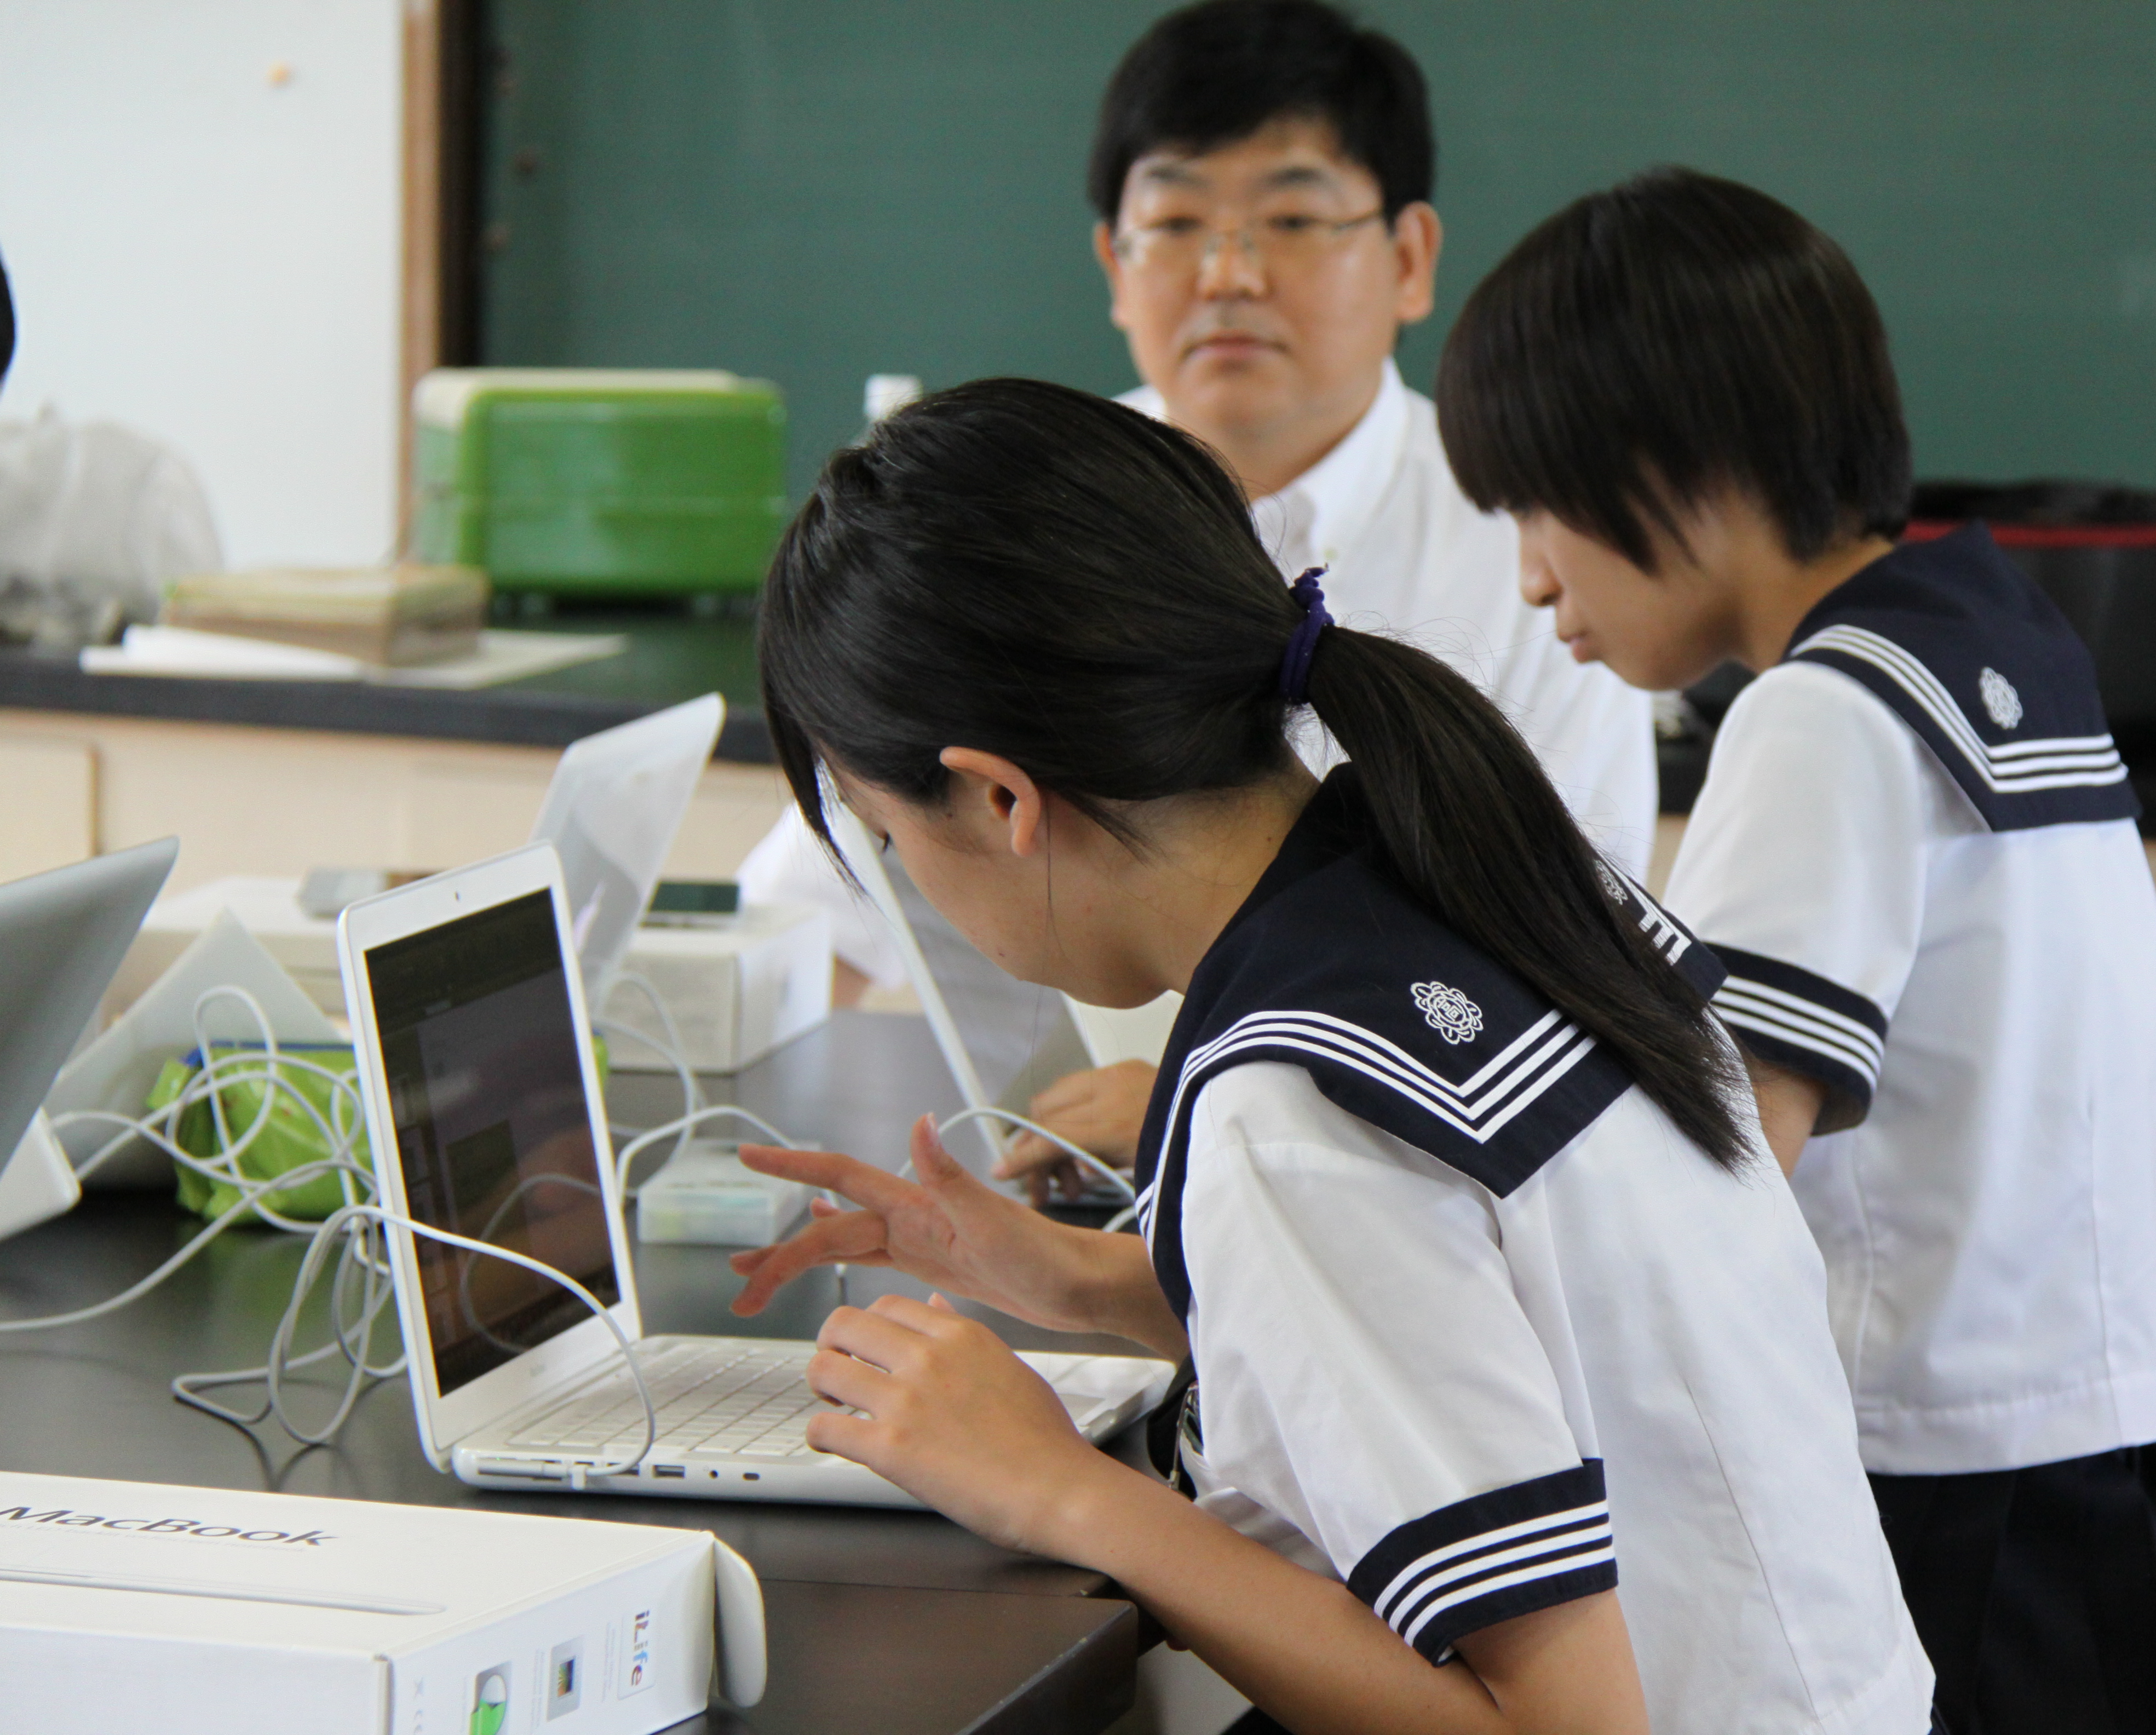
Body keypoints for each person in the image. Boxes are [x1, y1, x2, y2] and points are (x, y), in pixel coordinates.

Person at [727, 377, 1933, 1735]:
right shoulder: (1471, 859)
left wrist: (1066, 1491)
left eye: (895, 847)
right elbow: (1492, 1328)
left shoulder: (1290, 1109)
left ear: (1004, 799)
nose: (916, 890)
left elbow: (1565, 1728)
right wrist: (1064, 1275)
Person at [1434, 167, 2156, 1735]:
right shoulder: (2003, 641)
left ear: (1680, 460)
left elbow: (1716, 1168)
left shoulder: (1824, 713)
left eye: (1539, 508)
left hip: (1934, 1500)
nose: (1533, 577)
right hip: (2081, 1453)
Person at [741, 0, 1657, 1191]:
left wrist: (1210, 1079)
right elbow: (823, 894)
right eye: (1174, 222)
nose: (1228, 274)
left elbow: (1573, 951)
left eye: (1290, 217)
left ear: (1411, 258)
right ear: (1114, 266)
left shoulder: (1526, 540)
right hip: (1065, 1184)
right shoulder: (1018, 503)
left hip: (1383, 1175)